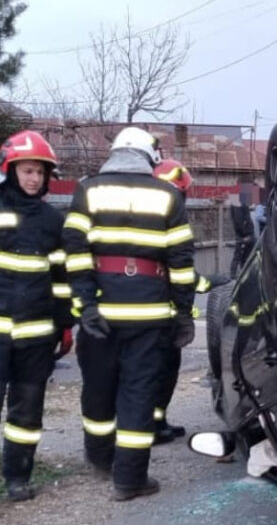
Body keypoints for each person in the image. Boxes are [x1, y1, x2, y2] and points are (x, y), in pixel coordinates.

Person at [62, 127, 196, 501]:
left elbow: (75, 251)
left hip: (101, 311)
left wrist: (86, 305)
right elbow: (181, 263)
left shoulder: (88, 189)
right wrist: (183, 313)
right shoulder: (168, 194)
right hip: (150, 314)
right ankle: (130, 480)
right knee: (139, 393)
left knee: (99, 388)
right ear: (147, 157)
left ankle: (101, 459)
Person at [0, 131, 73, 502]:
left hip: (37, 336)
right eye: (27, 171)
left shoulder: (51, 220)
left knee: (27, 413)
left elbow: (61, 279)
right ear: (11, 171)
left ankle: (17, 477)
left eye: (39, 173)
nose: (34, 179)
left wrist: (65, 325)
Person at [150, 158, 224, 445]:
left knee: (151, 371)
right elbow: (178, 270)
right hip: (162, 314)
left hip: (145, 311)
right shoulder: (165, 219)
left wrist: (207, 282)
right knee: (161, 371)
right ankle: (153, 426)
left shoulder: (144, 217)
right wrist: (211, 284)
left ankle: (157, 423)